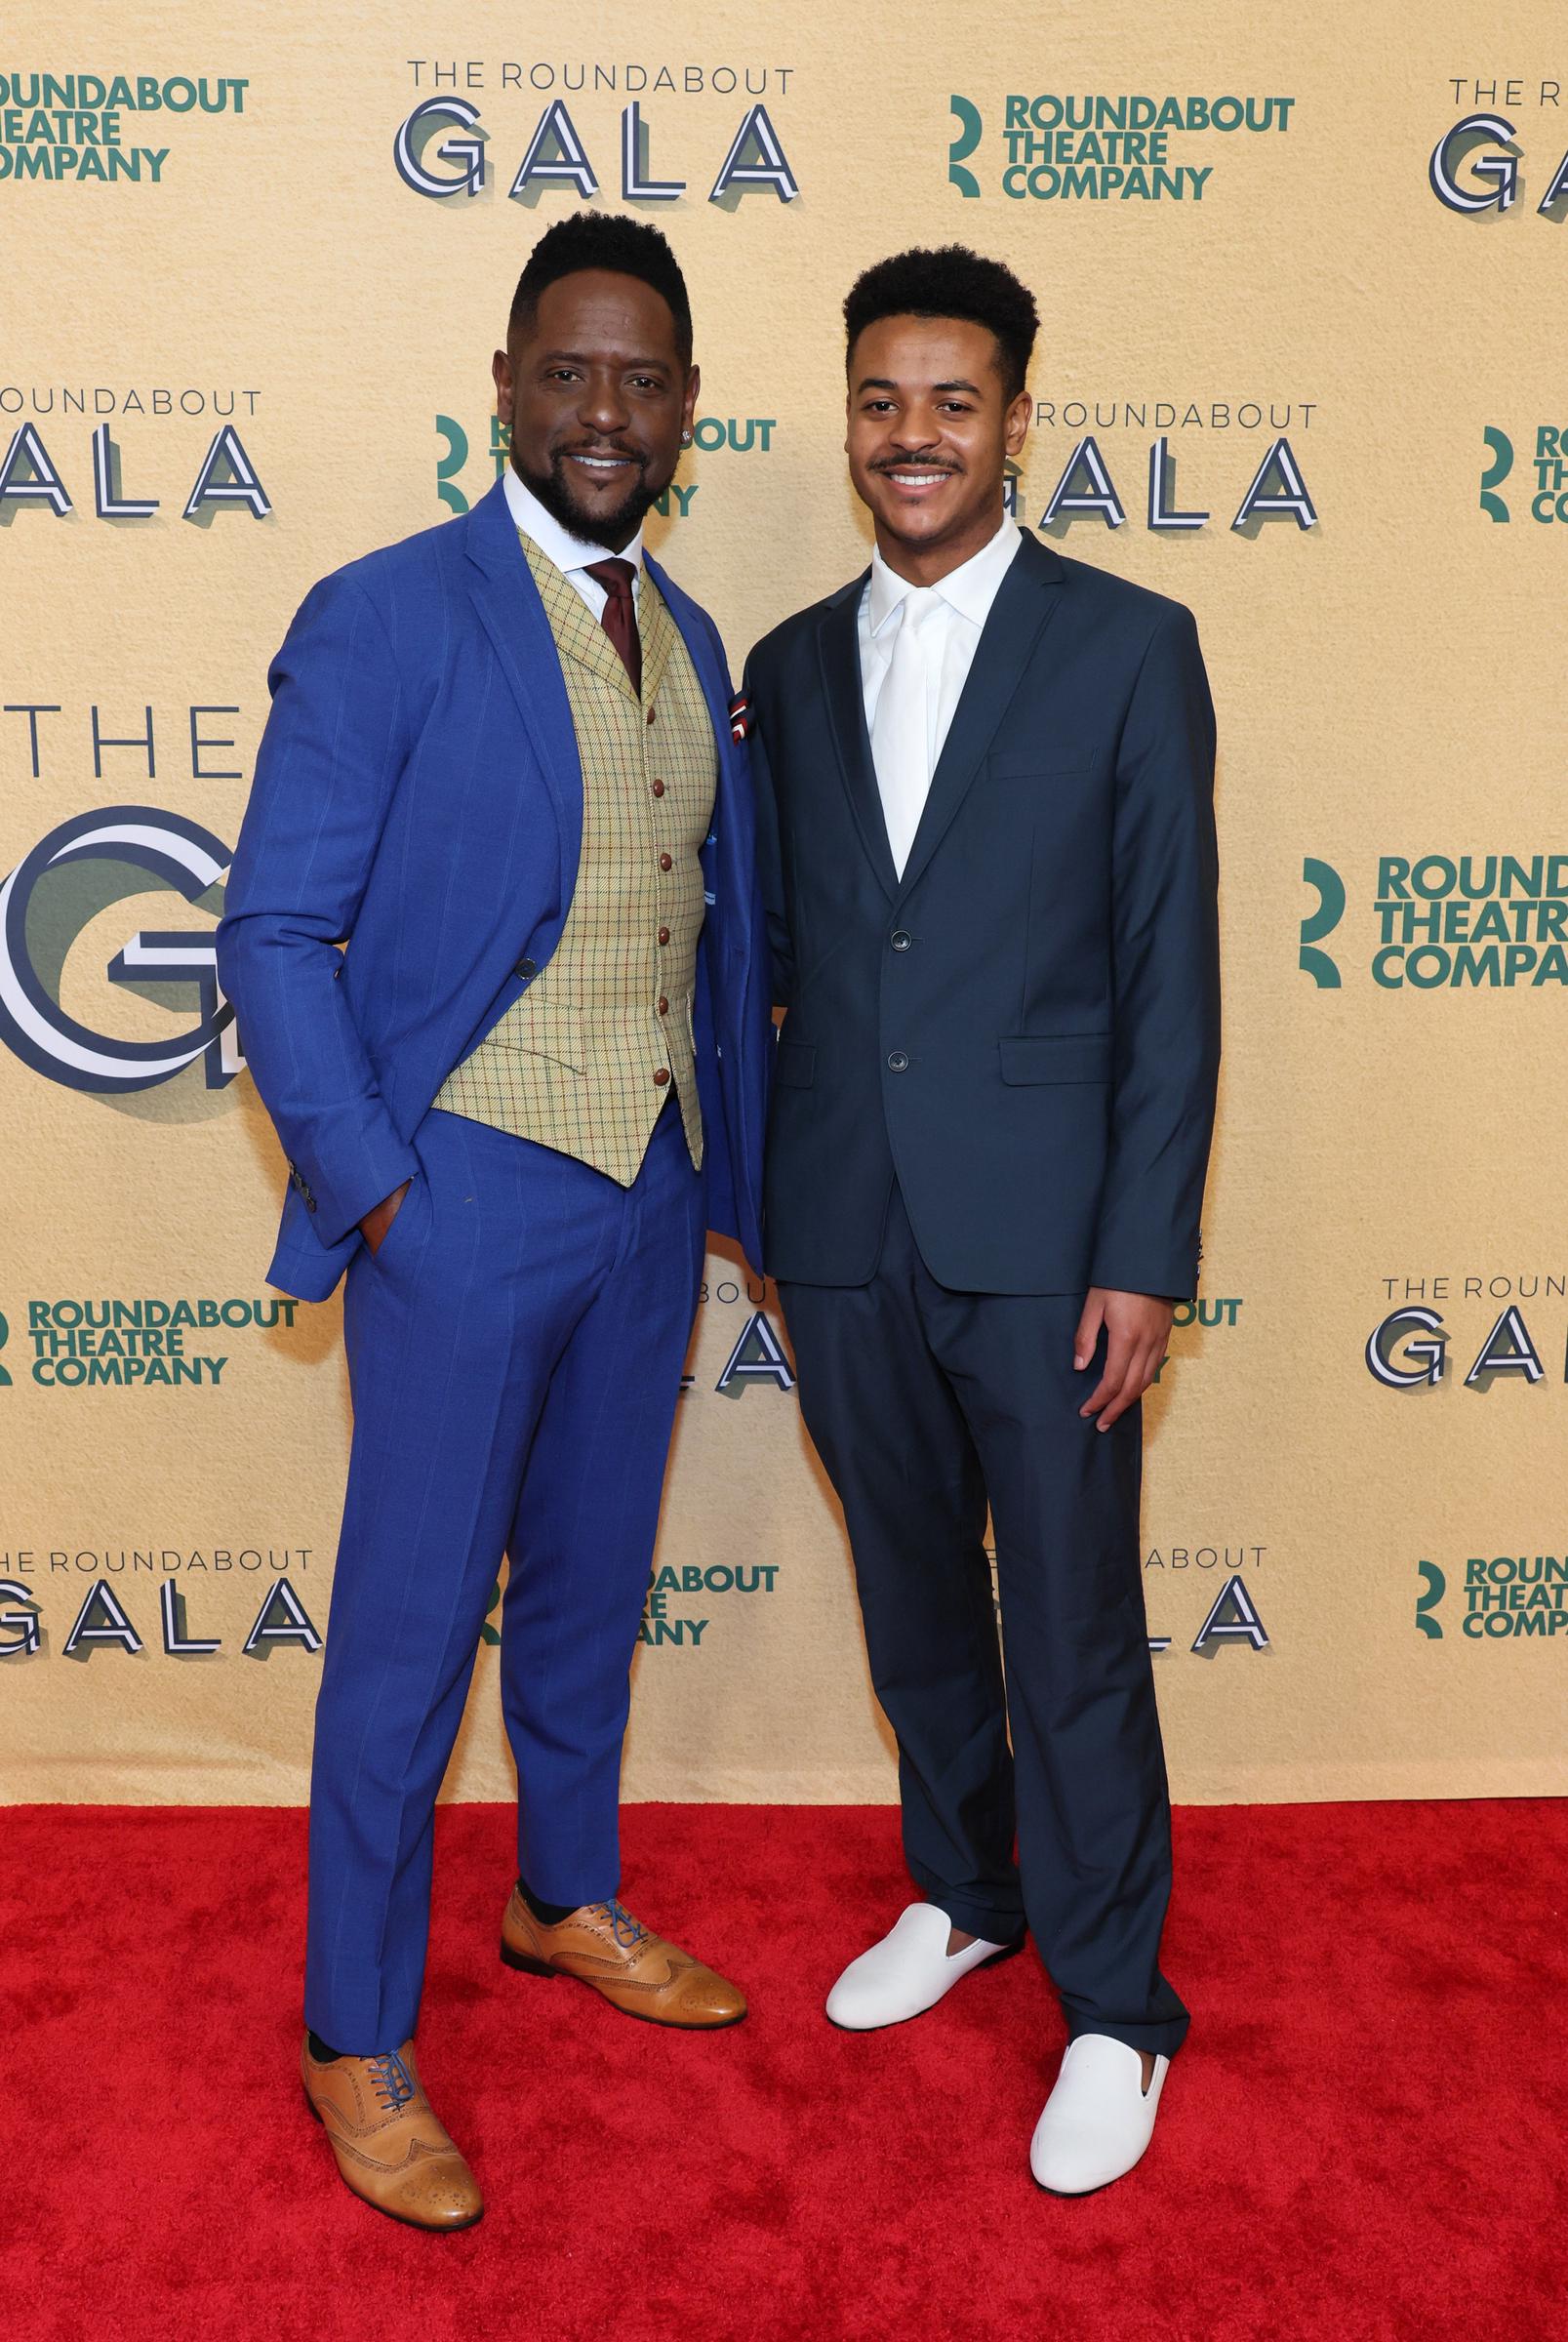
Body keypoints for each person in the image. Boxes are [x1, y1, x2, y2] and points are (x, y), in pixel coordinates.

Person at [219, 213, 771, 2232]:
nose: (603, 410)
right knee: (401, 1643)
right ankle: (353, 2031)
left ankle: (564, 1893)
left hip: (647, 1196)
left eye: (643, 378)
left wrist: (728, 1188)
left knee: (592, 1592)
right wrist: (381, 1191)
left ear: (687, 408)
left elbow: (710, 934)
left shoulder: (690, 637)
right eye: (568, 371)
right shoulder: (385, 614)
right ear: (507, 389)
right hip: (459, 1200)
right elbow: (272, 933)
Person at [744, 245, 1220, 2195]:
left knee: (1074, 1628)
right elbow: (784, 959)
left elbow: (1171, 977)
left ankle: (1115, 2007)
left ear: (1019, 421)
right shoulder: (784, 667)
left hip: (1050, 1244)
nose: (913, 436)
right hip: (843, 1224)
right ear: (847, 420)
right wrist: (771, 1209)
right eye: (881, 401)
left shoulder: (1129, 644)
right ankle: (965, 1892)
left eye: (953, 402)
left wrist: (1144, 1251)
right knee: (915, 1595)